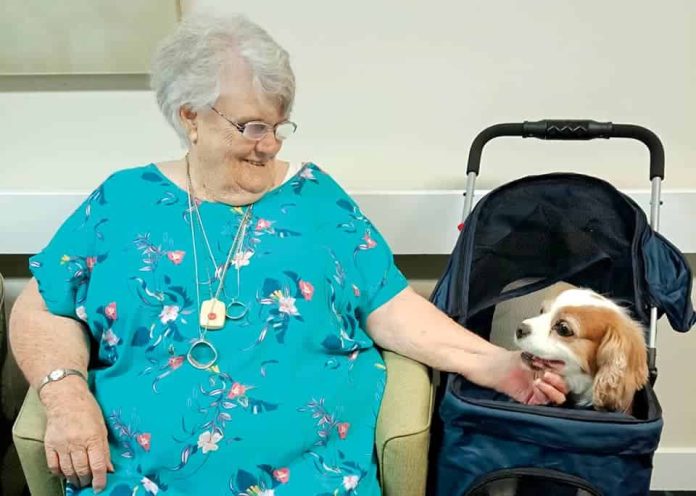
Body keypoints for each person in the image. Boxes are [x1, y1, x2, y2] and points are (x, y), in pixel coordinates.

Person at [9, 14, 566, 496]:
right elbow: (43, 306)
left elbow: (389, 304)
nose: (271, 143)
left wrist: (493, 364)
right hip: (139, 477)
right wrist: (64, 394)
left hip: (310, 476)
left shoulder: (317, 201)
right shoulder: (122, 201)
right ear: (190, 116)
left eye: (279, 125)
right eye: (252, 126)